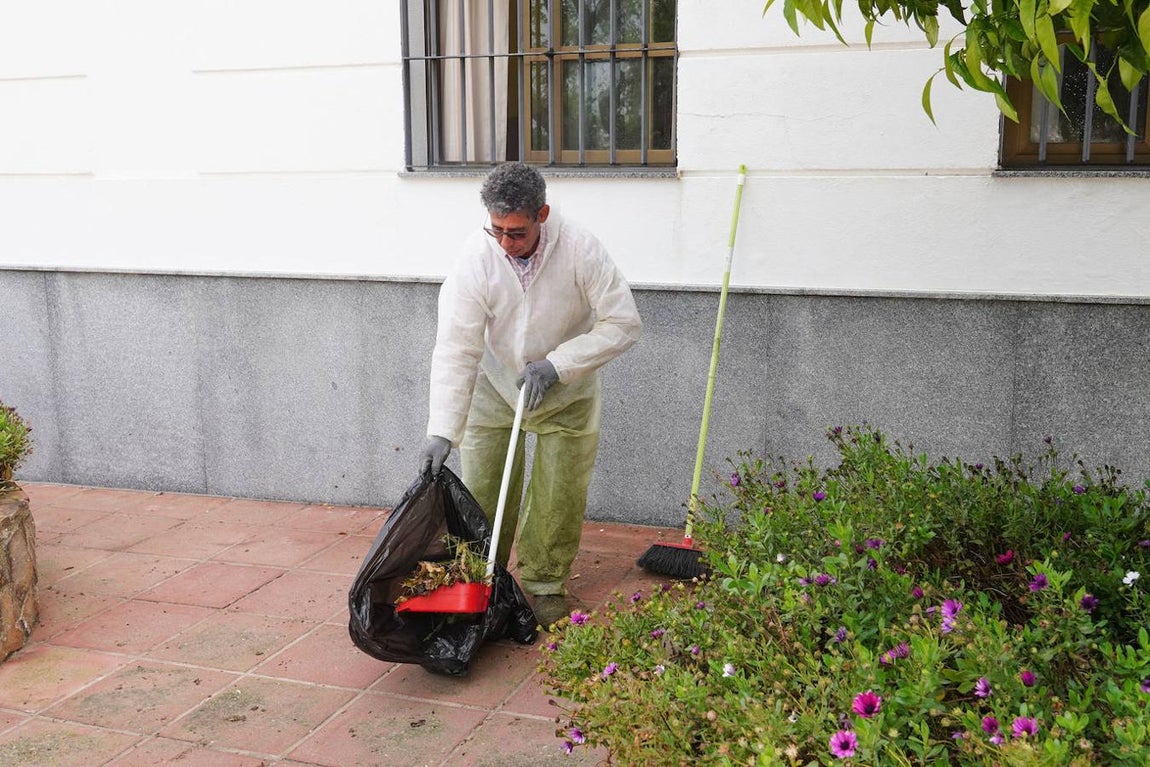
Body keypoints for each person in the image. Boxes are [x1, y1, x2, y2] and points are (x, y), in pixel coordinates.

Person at [418, 162, 642, 628]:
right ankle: (481, 578)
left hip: (566, 386)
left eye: (516, 232)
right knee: (482, 486)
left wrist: (558, 365)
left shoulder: (580, 249)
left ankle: (544, 584)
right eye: (496, 229)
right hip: (494, 381)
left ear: (542, 214)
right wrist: (442, 429)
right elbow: (456, 346)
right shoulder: (476, 257)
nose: (505, 242)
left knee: (559, 490)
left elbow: (623, 323)